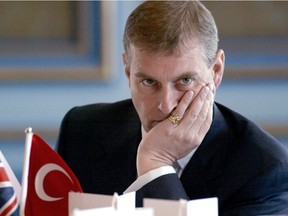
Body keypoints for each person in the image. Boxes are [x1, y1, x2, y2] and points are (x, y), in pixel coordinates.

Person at [56, 1, 288, 215]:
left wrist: (155, 165)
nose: (166, 104)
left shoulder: (264, 169)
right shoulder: (82, 131)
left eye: (185, 81)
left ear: (216, 71)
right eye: (149, 82)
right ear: (128, 72)